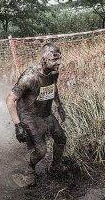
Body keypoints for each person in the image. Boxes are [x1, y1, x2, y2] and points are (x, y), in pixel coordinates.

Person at [6, 43, 67, 187]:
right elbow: (10, 99)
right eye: (54, 59)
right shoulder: (29, 77)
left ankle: (54, 167)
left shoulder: (54, 72)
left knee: (61, 138)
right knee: (41, 150)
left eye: (59, 59)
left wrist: (59, 105)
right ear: (44, 60)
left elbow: (53, 87)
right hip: (28, 115)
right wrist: (17, 125)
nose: (58, 63)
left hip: (45, 113)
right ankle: (30, 169)